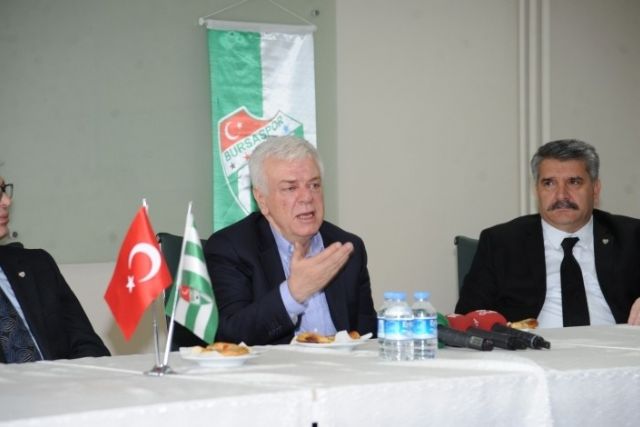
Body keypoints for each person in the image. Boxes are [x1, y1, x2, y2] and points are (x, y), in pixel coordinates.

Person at [203, 136, 377, 345]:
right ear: (262, 199)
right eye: (291, 188)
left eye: (314, 185)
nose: (307, 197)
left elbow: (368, 337)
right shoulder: (231, 248)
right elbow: (230, 335)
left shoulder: (346, 248)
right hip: (273, 366)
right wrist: (294, 293)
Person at [456, 139, 640, 327]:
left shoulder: (632, 237)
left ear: (595, 189)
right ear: (537, 190)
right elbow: (466, 319)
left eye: (574, 182)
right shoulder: (501, 243)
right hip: (533, 343)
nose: (561, 195)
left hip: (617, 344)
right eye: (549, 183)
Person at [0, 177, 110, 362]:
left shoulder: (38, 265)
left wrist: (76, 378)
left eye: (4, 190)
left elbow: (88, 345)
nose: (7, 201)